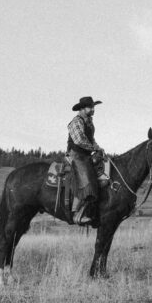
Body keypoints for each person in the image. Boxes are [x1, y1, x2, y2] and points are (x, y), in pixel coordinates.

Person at [66, 96, 108, 226]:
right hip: (76, 155)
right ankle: (75, 213)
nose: (93, 109)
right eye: (90, 107)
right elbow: (79, 141)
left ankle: (95, 211)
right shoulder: (75, 122)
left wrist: (98, 148)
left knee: (103, 171)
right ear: (82, 109)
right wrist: (93, 148)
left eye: (93, 107)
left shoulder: (89, 121)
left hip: (86, 154)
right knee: (86, 180)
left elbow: (91, 139)